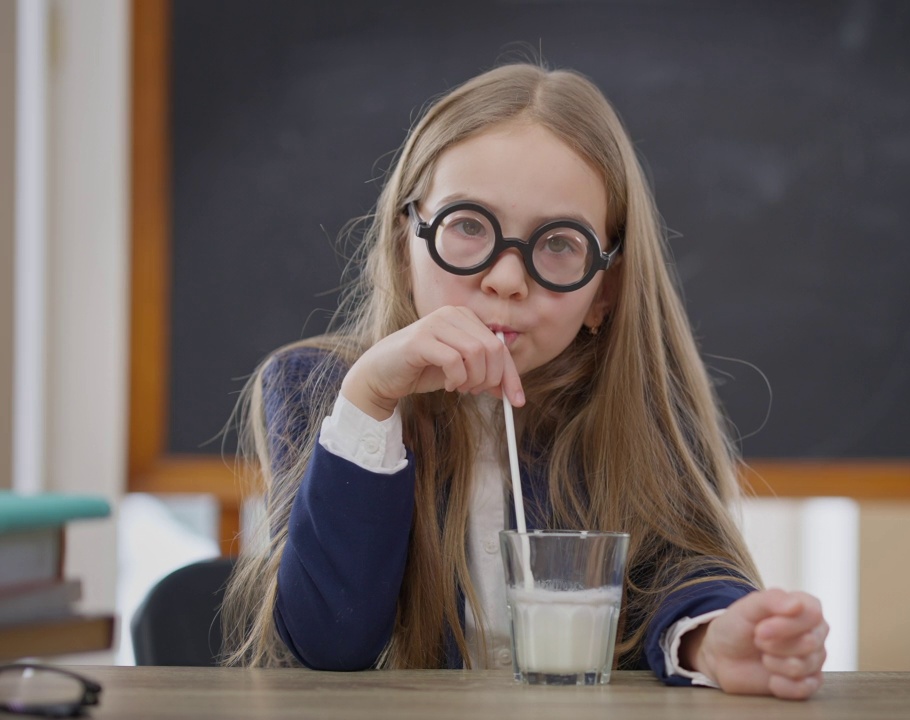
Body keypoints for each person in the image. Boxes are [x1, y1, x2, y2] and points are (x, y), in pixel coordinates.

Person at [221, 62, 827, 700]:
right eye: (467, 227)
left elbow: (681, 571)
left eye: (560, 244)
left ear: (604, 291)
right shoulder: (320, 388)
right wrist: (372, 401)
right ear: (407, 247)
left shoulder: (627, 403)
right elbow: (328, 642)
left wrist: (714, 636)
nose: (507, 279)